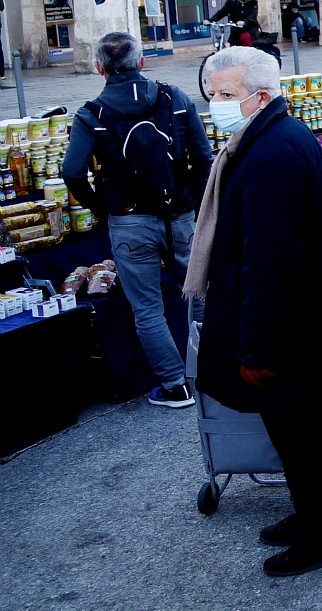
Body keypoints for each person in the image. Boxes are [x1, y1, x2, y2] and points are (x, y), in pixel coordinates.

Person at [185, 46, 322, 574]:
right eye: (212, 95)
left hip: (285, 328)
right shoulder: (268, 138)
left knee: (300, 428)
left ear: (261, 95)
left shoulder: (272, 151)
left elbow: (269, 261)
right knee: (293, 425)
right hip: (294, 322)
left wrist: (254, 344)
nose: (217, 105)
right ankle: (313, 512)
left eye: (227, 95)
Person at [62, 32, 213, 409]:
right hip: (179, 214)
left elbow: (72, 172)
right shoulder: (174, 97)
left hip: (130, 222)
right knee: (198, 292)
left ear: (99, 67)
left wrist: (103, 208)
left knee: (147, 308)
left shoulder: (90, 114)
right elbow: (204, 157)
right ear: (142, 62)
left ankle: (175, 386)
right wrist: (193, 201)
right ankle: (212, 370)